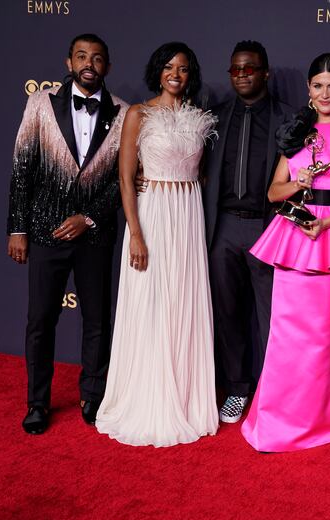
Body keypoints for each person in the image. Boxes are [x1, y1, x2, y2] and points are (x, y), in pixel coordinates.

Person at [241, 53, 330, 452]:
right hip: (295, 236)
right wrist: (299, 184)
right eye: (318, 86)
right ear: (309, 90)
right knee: (283, 337)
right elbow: (272, 192)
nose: (325, 93)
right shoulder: (296, 131)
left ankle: (314, 425)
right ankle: (275, 422)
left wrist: (327, 223)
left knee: (319, 340)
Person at [95, 42, 218, 447]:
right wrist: (136, 234)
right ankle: (147, 397)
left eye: (183, 68)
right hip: (151, 216)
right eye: (168, 67)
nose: (175, 74)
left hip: (187, 218)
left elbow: (199, 176)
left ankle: (185, 398)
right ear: (157, 71)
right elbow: (126, 178)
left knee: (182, 302)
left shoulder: (199, 119)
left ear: (191, 74)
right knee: (152, 302)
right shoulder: (138, 114)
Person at [8, 33, 128, 435]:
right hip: (43, 231)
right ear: (68, 62)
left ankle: (92, 396)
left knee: (97, 320)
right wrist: (18, 228)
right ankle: (37, 402)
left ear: (107, 66)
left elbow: (121, 181)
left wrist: (89, 217)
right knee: (40, 321)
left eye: (97, 58)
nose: (89, 63)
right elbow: (23, 168)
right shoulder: (40, 104)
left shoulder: (125, 113)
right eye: (81, 56)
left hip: (95, 235)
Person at [202, 41, 293, 424]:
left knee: (272, 317)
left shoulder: (288, 118)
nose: (242, 75)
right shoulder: (215, 118)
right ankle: (238, 388)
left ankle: (276, 395)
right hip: (222, 225)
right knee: (227, 313)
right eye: (236, 70)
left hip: (266, 226)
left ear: (265, 73)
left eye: (250, 69)